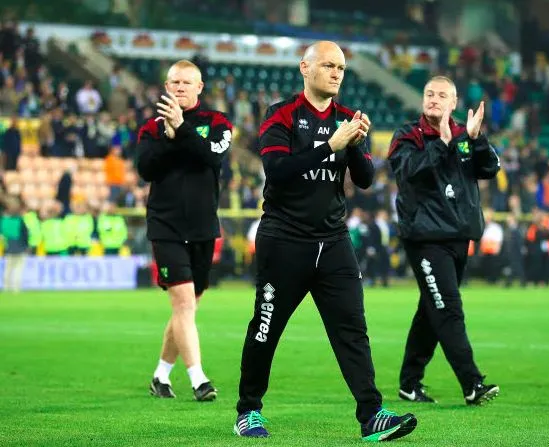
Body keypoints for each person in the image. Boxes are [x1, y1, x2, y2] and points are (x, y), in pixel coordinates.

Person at [234, 41, 417, 442]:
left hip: (333, 240)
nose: (336, 73)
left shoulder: (347, 119)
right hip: (284, 239)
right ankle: (248, 411)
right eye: (329, 65)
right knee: (266, 327)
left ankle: (372, 415)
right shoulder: (281, 114)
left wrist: (356, 145)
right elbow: (277, 170)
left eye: (341, 68)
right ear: (305, 68)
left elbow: (365, 180)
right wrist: (330, 146)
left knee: (352, 329)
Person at [388, 75, 500, 406]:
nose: (434, 99)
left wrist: (476, 139)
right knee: (448, 308)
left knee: (431, 310)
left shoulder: (465, 135)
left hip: (458, 236)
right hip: (425, 238)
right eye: (429, 94)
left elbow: (490, 168)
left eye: (441, 95)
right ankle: (472, 383)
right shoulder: (407, 135)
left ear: (453, 103)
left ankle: (409, 383)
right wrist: (440, 143)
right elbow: (407, 171)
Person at [136, 59, 232, 401]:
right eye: (174, 82)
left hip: (203, 227)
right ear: (166, 87)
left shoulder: (218, 123)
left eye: (186, 82)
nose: (179, 87)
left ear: (199, 87)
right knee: (184, 304)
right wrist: (168, 135)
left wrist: (182, 129)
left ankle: (160, 376)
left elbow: (212, 157)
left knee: (187, 307)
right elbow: (146, 169)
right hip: (166, 226)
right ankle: (198, 379)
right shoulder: (151, 129)